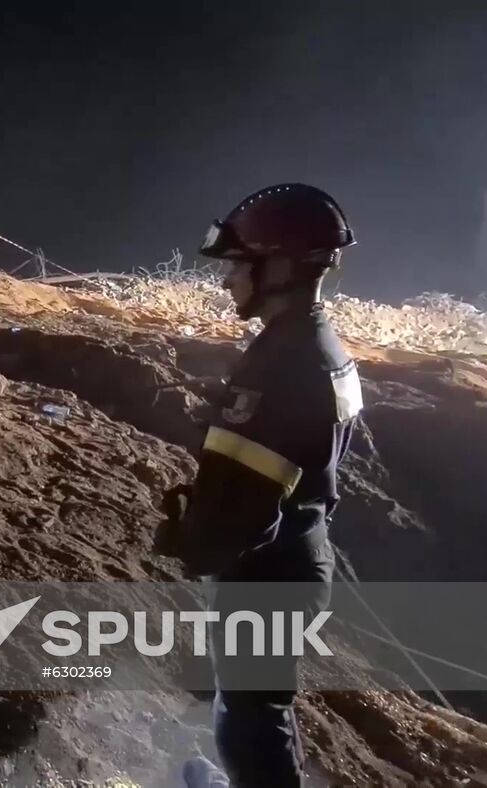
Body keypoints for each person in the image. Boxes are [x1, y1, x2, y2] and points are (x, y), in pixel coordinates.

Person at [156, 183, 363, 787]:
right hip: (297, 551)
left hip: (271, 568)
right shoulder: (318, 347)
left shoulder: (284, 364)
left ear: (277, 266)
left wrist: (194, 543)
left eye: (236, 266)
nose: (226, 282)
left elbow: (249, 504)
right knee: (257, 703)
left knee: (249, 713)